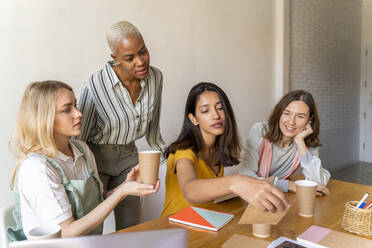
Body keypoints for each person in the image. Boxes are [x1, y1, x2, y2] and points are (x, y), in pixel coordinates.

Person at [7, 81, 159, 241]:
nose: (79, 113)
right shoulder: (36, 167)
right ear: (44, 118)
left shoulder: (81, 149)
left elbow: (98, 201)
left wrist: (125, 185)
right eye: (67, 109)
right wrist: (121, 192)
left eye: (75, 105)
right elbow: (65, 233)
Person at [77, 21, 166, 230]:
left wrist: (168, 160)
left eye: (143, 52)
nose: (141, 62)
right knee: (91, 227)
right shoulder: (95, 85)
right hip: (96, 160)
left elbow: (153, 130)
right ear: (115, 58)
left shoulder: (156, 77)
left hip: (130, 157)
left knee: (130, 226)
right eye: (129, 58)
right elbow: (79, 138)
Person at [161, 82, 289, 217]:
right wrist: (234, 182)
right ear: (193, 119)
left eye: (220, 108)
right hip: (175, 227)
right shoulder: (184, 151)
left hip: (207, 223)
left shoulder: (219, 150)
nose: (216, 115)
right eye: (205, 111)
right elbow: (190, 190)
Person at [239, 90, 330, 195]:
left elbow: (317, 184)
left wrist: (300, 142)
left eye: (300, 116)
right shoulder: (260, 131)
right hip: (250, 197)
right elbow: (245, 176)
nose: (291, 122)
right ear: (279, 113)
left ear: (310, 120)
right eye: (287, 113)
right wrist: (289, 185)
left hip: (277, 198)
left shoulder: (306, 142)